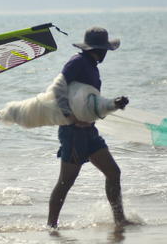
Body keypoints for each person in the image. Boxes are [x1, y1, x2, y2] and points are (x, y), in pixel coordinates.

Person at [47, 27, 130, 229]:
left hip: (89, 132)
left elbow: (91, 102)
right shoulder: (78, 62)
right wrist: (69, 116)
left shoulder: (92, 65)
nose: (106, 54)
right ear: (99, 49)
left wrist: (114, 104)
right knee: (66, 182)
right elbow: (57, 88)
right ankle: (51, 226)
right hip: (73, 132)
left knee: (113, 172)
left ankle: (120, 221)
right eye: (105, 50)